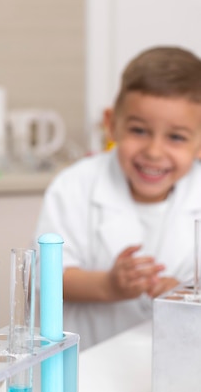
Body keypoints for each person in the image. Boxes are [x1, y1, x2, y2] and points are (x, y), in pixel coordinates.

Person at [34, 46, 201, 350]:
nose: (153, 151)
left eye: (176, 137)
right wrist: (108, 286)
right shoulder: (74, 186)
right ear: (112, 124)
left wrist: (186, 294)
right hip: (90, 364)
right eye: (139, 130)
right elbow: (47, 281)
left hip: (178, 363)